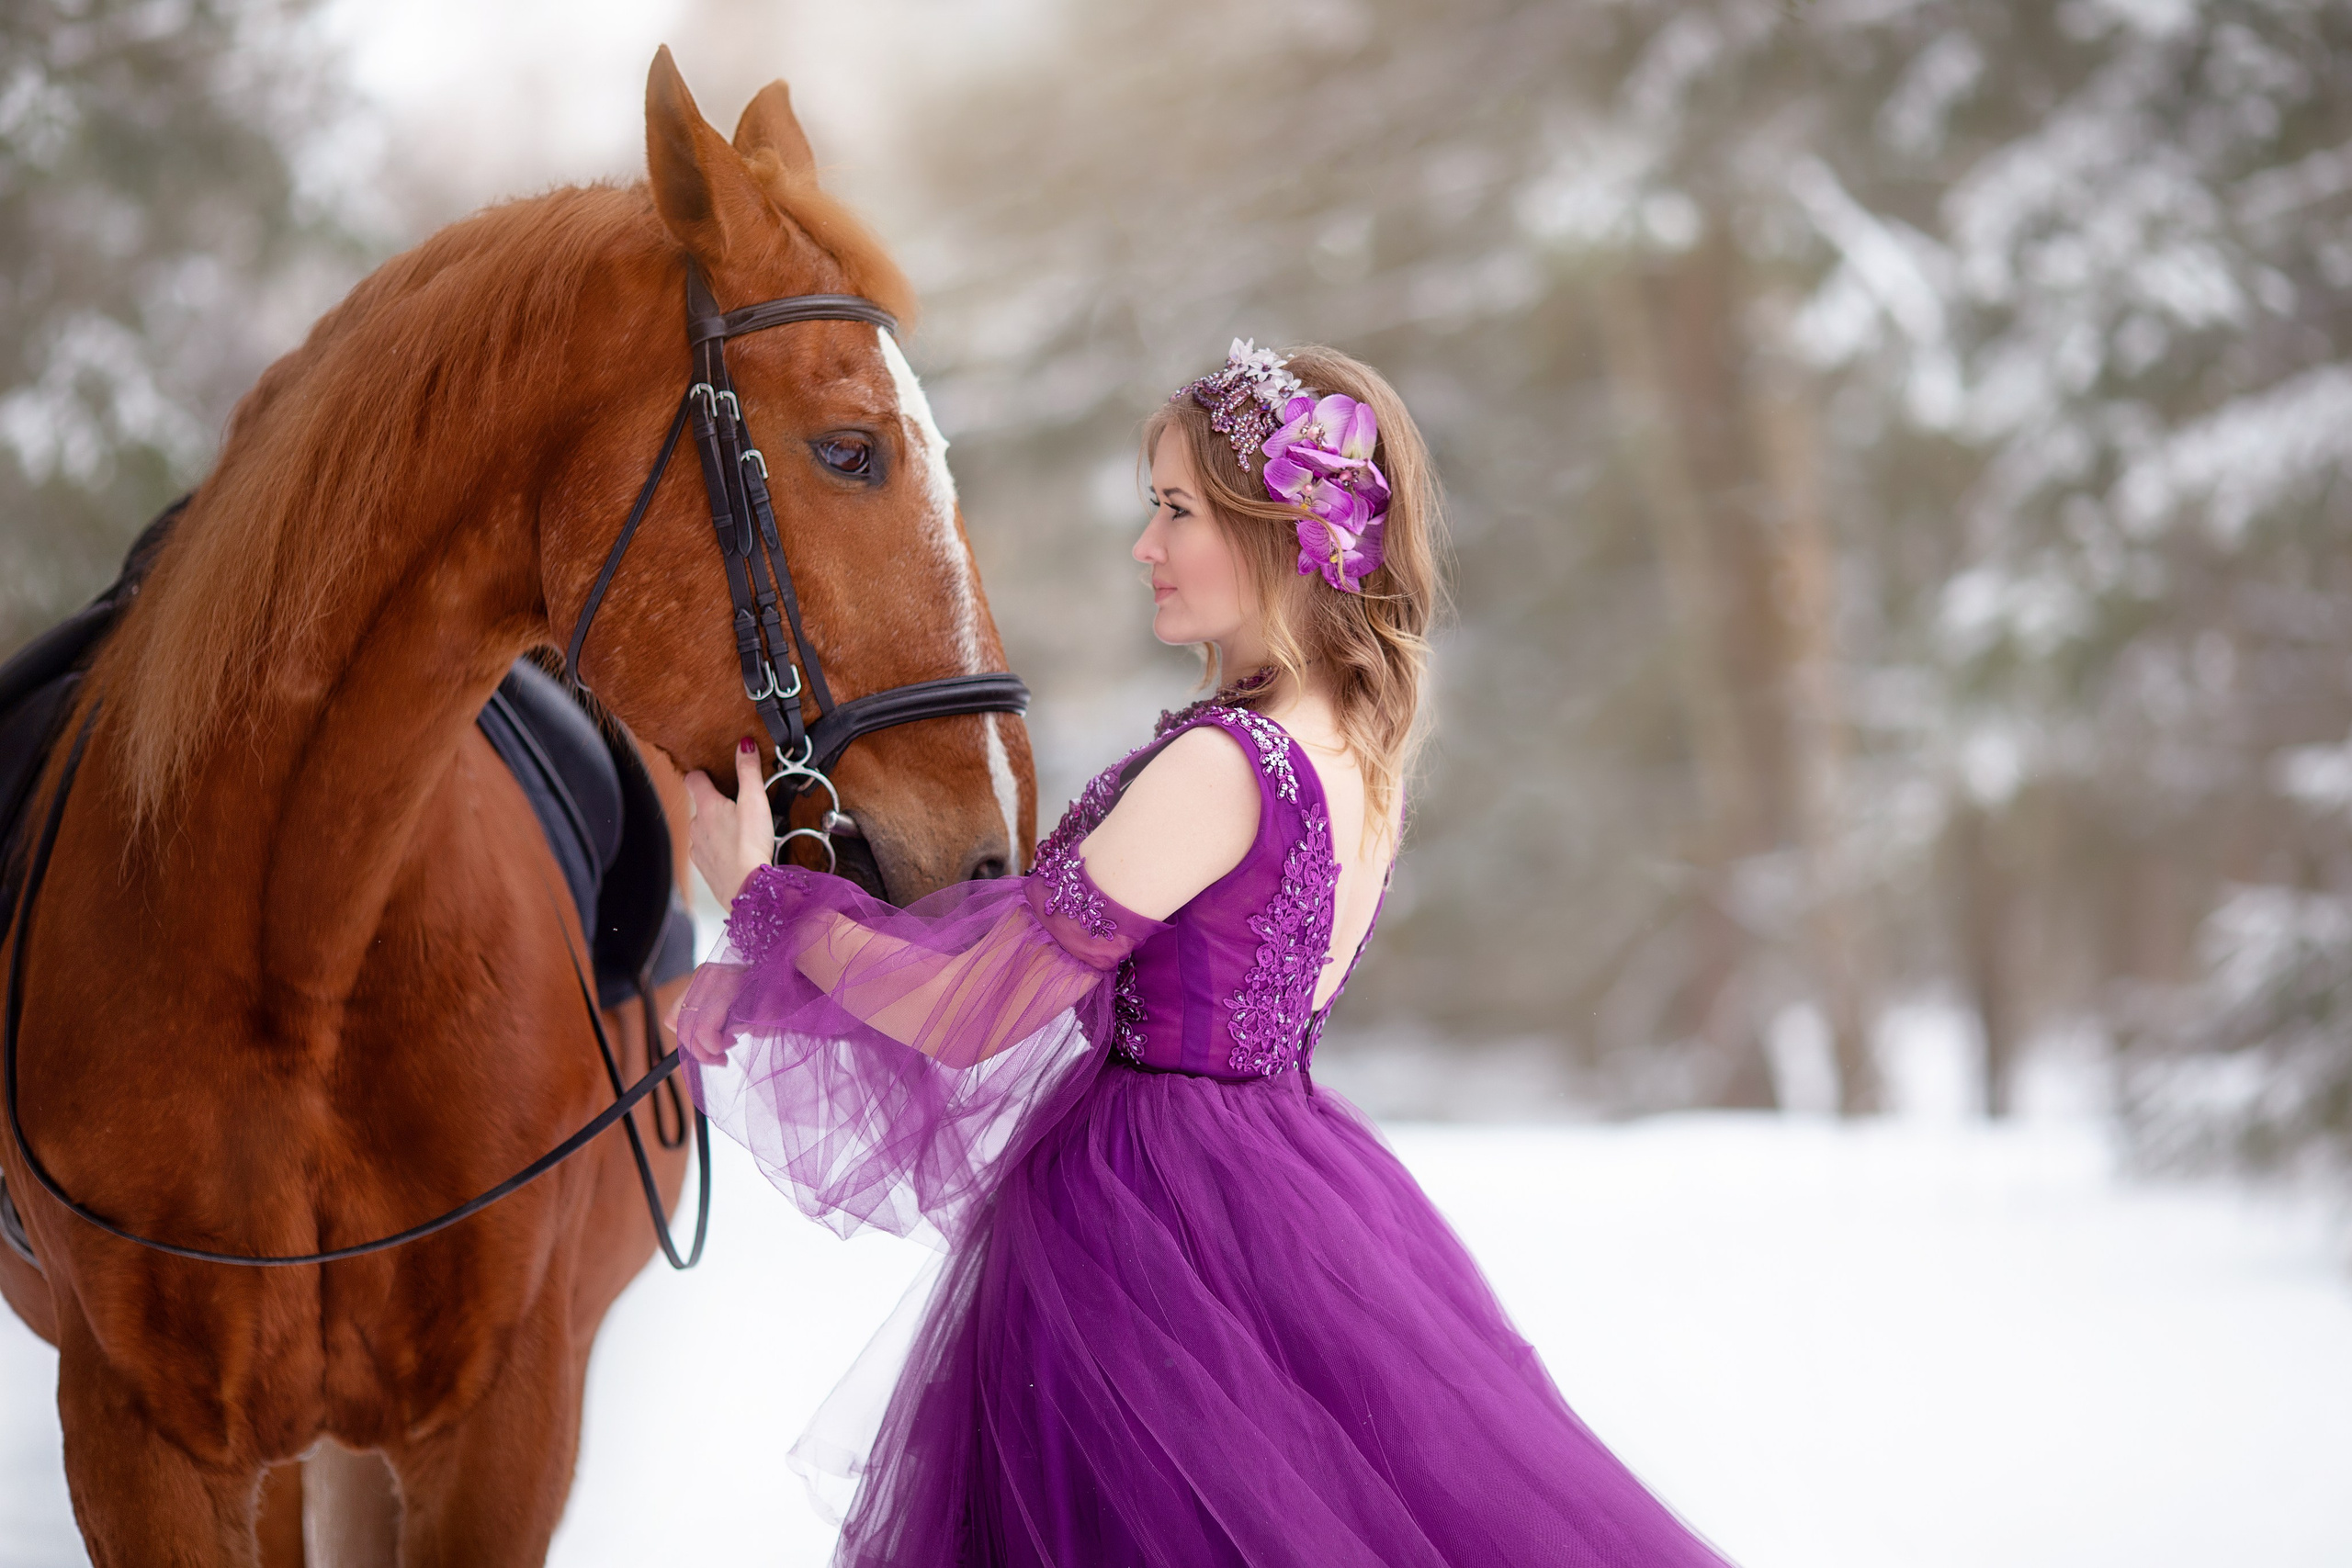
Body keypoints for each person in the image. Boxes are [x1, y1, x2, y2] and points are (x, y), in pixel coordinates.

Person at [673, 342, 1738, 1567]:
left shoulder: (1225, 767)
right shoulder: (1348, 740)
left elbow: (971, 1009)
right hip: (1279, 1188)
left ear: (1279, 530)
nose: (1147, 546)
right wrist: (799, 952)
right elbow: (1024, 938)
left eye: (1176, 510)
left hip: (1147, 1236)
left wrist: (763, 901)